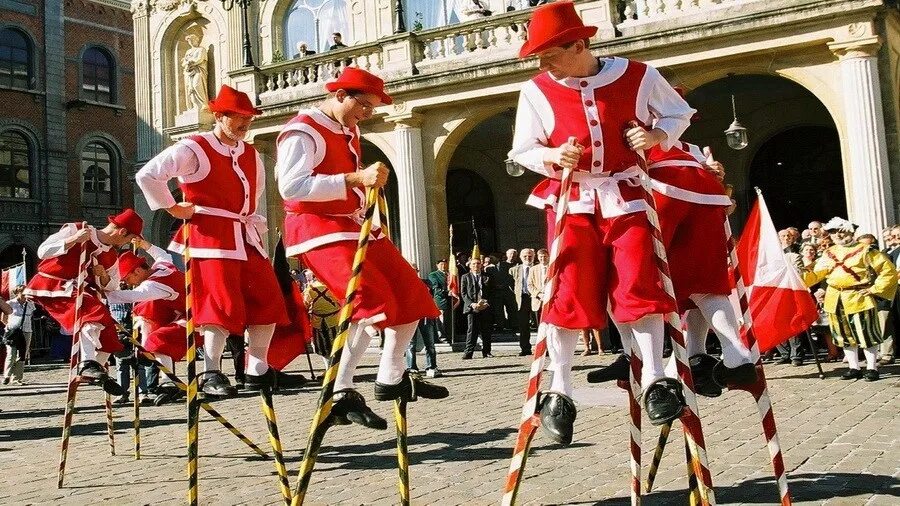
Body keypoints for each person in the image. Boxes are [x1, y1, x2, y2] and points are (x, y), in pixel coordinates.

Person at [508, 1, 696, 443]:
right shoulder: (535, 90)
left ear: (578, 44)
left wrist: (656, 136)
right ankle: (560, 389)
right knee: (568, 289)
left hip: (626, 197)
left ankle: (654, 379)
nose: (542, 62)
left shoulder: (638, 75)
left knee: (639, 281)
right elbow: (522, 150)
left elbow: (678, 114)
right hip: (572, 199)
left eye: (549, 53)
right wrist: (552, 156)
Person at [275, 67, 447, 431]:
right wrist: (355, 178)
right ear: (341, 95)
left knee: (412, 294)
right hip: (317, 229)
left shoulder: (347, 127)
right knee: (372, 300)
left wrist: (369, 190)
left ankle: (390, 375)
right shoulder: (302, 130)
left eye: (371, 107)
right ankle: (341, 390)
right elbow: (291, 188)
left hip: (357, 225)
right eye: (364, 105)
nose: (368, 114)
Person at [136, 84, 289, 399]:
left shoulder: (250, 153)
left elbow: (255, 195)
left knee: (269, 298)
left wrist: (246, 220)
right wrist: (173, 207)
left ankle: (256, 368)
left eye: (249, 119)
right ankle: (210, 371)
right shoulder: (194, 147)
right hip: (209, 236)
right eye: (238, 119)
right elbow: (148, 175)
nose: (246, 125)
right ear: (219, 116)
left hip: (245, 235)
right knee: (218, 305)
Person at [24, 210, 144, 395]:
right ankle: (87, 363)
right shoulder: (77, 229)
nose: (128, 243)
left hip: (81, 291)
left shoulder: (110, 255)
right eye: (130, 238)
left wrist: (102, 274)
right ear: (122, 232)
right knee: (92, 312)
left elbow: (112, 286)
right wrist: (73, 240)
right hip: (54, 284)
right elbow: (43, 251)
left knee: (108, 328)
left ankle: (97, 370)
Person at [802, 217, 898, 381]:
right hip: (835, 299)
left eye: (841, 231)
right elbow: (816, 273)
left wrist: (875, 289)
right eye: (833, 232)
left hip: (859, 297)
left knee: (866, 334)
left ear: (850, 231)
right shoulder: (828, 253)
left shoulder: (866, 250)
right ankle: (853, 367)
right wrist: (799, 275)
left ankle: (871, 367)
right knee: (843, 335)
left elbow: (888, 271)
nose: (838, 235)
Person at [461, 256, 494, 359]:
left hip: (485, 307)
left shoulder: (487, 276)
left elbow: (491, 291)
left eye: (478, 264)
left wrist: (486, 303)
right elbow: (463, 293)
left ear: (481, 265)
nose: (476, 266)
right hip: (472, 308)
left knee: (486, 330)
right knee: (472, 330)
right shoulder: (465, 277)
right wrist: (472, 304)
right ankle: (469, 352)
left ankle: (487, 351)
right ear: (470, 266)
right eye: (474, 264)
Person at [510, 248, 536, 355]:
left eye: (530, 256)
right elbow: (511, 284)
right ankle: (525, 348)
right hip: (522, 299)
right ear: (520, 257)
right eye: (525, 256)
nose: (527, 258)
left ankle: (543, 348)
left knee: (540, 324)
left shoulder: (537, 268)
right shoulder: (514, 270)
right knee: (523, 325)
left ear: (533, 257)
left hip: (536, 298)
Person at [427, 259, 453, 343]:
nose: (443, 266)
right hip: (441, 300)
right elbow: (436, 288)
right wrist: (446, 292)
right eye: (441, 264)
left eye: (445, 264)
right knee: (442, 320)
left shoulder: (450, 274)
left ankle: (450, 336)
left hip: (451, 300)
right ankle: (442, 336)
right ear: (437, 265)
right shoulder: (433, 275)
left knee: (449, 320)